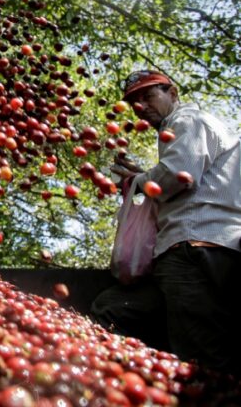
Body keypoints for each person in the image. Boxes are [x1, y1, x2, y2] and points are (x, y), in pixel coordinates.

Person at [91, 70, 241, 375]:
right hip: (207, 247)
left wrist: (137, 180)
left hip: (192, 249)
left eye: (148, 96)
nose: (141, 107)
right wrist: (144, 176)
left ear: (172, 93)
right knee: (113, 308)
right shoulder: (204, 129)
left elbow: (176, 177)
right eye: (134, 103)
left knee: (200, 361)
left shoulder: (188, 121)